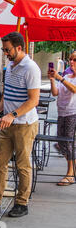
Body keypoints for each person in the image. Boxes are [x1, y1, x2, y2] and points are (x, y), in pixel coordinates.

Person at [0, 32, 41, 218]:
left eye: (7, 50)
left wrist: (12, 114)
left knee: (22, 165)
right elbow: (7, 94)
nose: (5, 53)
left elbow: (34, 100)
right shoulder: (9, 66)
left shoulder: (31, 68)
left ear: (19, 47)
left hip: (24, 124)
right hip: (7, 123)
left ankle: (21, 203)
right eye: (3, 50)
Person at [48, 53, 76, 186]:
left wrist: (59, 78)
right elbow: (55, 93)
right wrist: (53, 79)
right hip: (62, 112)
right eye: (70, 59)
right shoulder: (66, 76)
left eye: (74, 59)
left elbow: (74, 90)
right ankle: (73, 170)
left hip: (73, 113)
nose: (71, 61)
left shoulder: (65, 78)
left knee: (69, 143)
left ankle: (70, 174)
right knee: (61, 142)